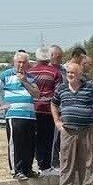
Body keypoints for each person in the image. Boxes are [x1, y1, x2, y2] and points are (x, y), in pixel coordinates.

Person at [51, 62, 93, 185]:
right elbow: (53, 104)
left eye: (73, 73)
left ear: (80, 74)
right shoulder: (61, 88)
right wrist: (56, 121)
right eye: (68, 73)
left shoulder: (89, 87)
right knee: (66, 159)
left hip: (86, 129)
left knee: (86, 159)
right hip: (67, 129)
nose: (70, 75)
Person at [0, 51, 41, 181]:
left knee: (29, 144)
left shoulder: (30, 77)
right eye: (19, 62)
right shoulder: (6, 75)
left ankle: (28, 169)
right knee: (16, 143)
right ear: (14, 63)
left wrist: (25, 82)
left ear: (28, 64)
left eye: (24, 62)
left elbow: (36, 94)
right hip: (14, 115)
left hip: (29, 115)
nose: (21, 65)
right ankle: (16, 170)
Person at [28, 47, 61, 176]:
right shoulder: (55, 72)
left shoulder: (29, 72)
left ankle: (36, 163)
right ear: (49, 57)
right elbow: (58, 93)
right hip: (48, 110)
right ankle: (46, 166)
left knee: (34, 139)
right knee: (48, 139)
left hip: (32, 110)